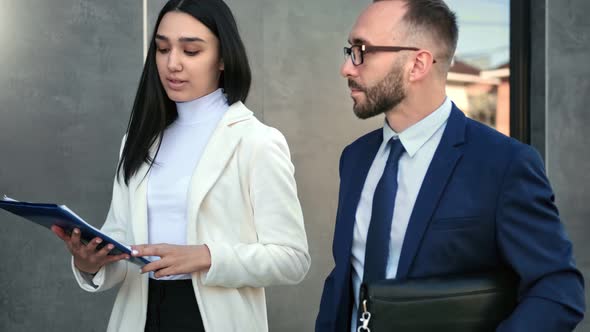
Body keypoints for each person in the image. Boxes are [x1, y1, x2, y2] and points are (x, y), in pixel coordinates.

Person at [316, 0, 585, 331]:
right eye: (350, 49)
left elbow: (558, 290)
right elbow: (345, 279)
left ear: (417, 64)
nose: (347, 67)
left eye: (362, 50)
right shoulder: (355, 159)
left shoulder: (503, 164)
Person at [51, 0, 310, 331]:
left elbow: (292, 258)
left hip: (212, 319)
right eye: (162, 48)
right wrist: (90, 262)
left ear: (223, 59)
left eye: (190, 51)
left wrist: (206, 256)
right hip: (140, 316)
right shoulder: (140, 139)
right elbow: (124, 242)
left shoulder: (256, 141)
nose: (172, 63)